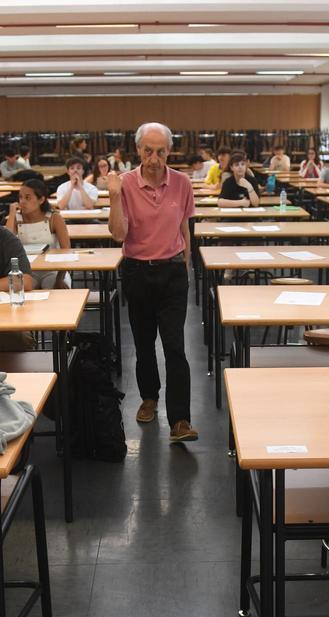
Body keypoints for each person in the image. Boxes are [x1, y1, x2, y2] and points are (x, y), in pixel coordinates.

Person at [108, 121, 198, 444]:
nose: (154, 158)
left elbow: (186, 228)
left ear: (169, 152)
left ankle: (181, 419)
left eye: (161, 151)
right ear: (138, 151)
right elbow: (119, 234)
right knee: (144, 345)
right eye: (148, 151)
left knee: (175, 347)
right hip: (138, 272)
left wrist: (186, 264)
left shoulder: (183, 183)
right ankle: (149, 397)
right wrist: (115, 197)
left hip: (173, 273)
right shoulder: (126, 184)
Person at [6, 178, 72, 289]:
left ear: (41, 199)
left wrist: (60, 278)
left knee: (51, 289)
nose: (22, 201)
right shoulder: (16, 218)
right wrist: (12, 214)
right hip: (28, 271)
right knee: (22, 290)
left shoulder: (54, 218)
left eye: (27, 198)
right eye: (20, 197)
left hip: (53, 270)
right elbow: (6, 243)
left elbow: (66, 250)